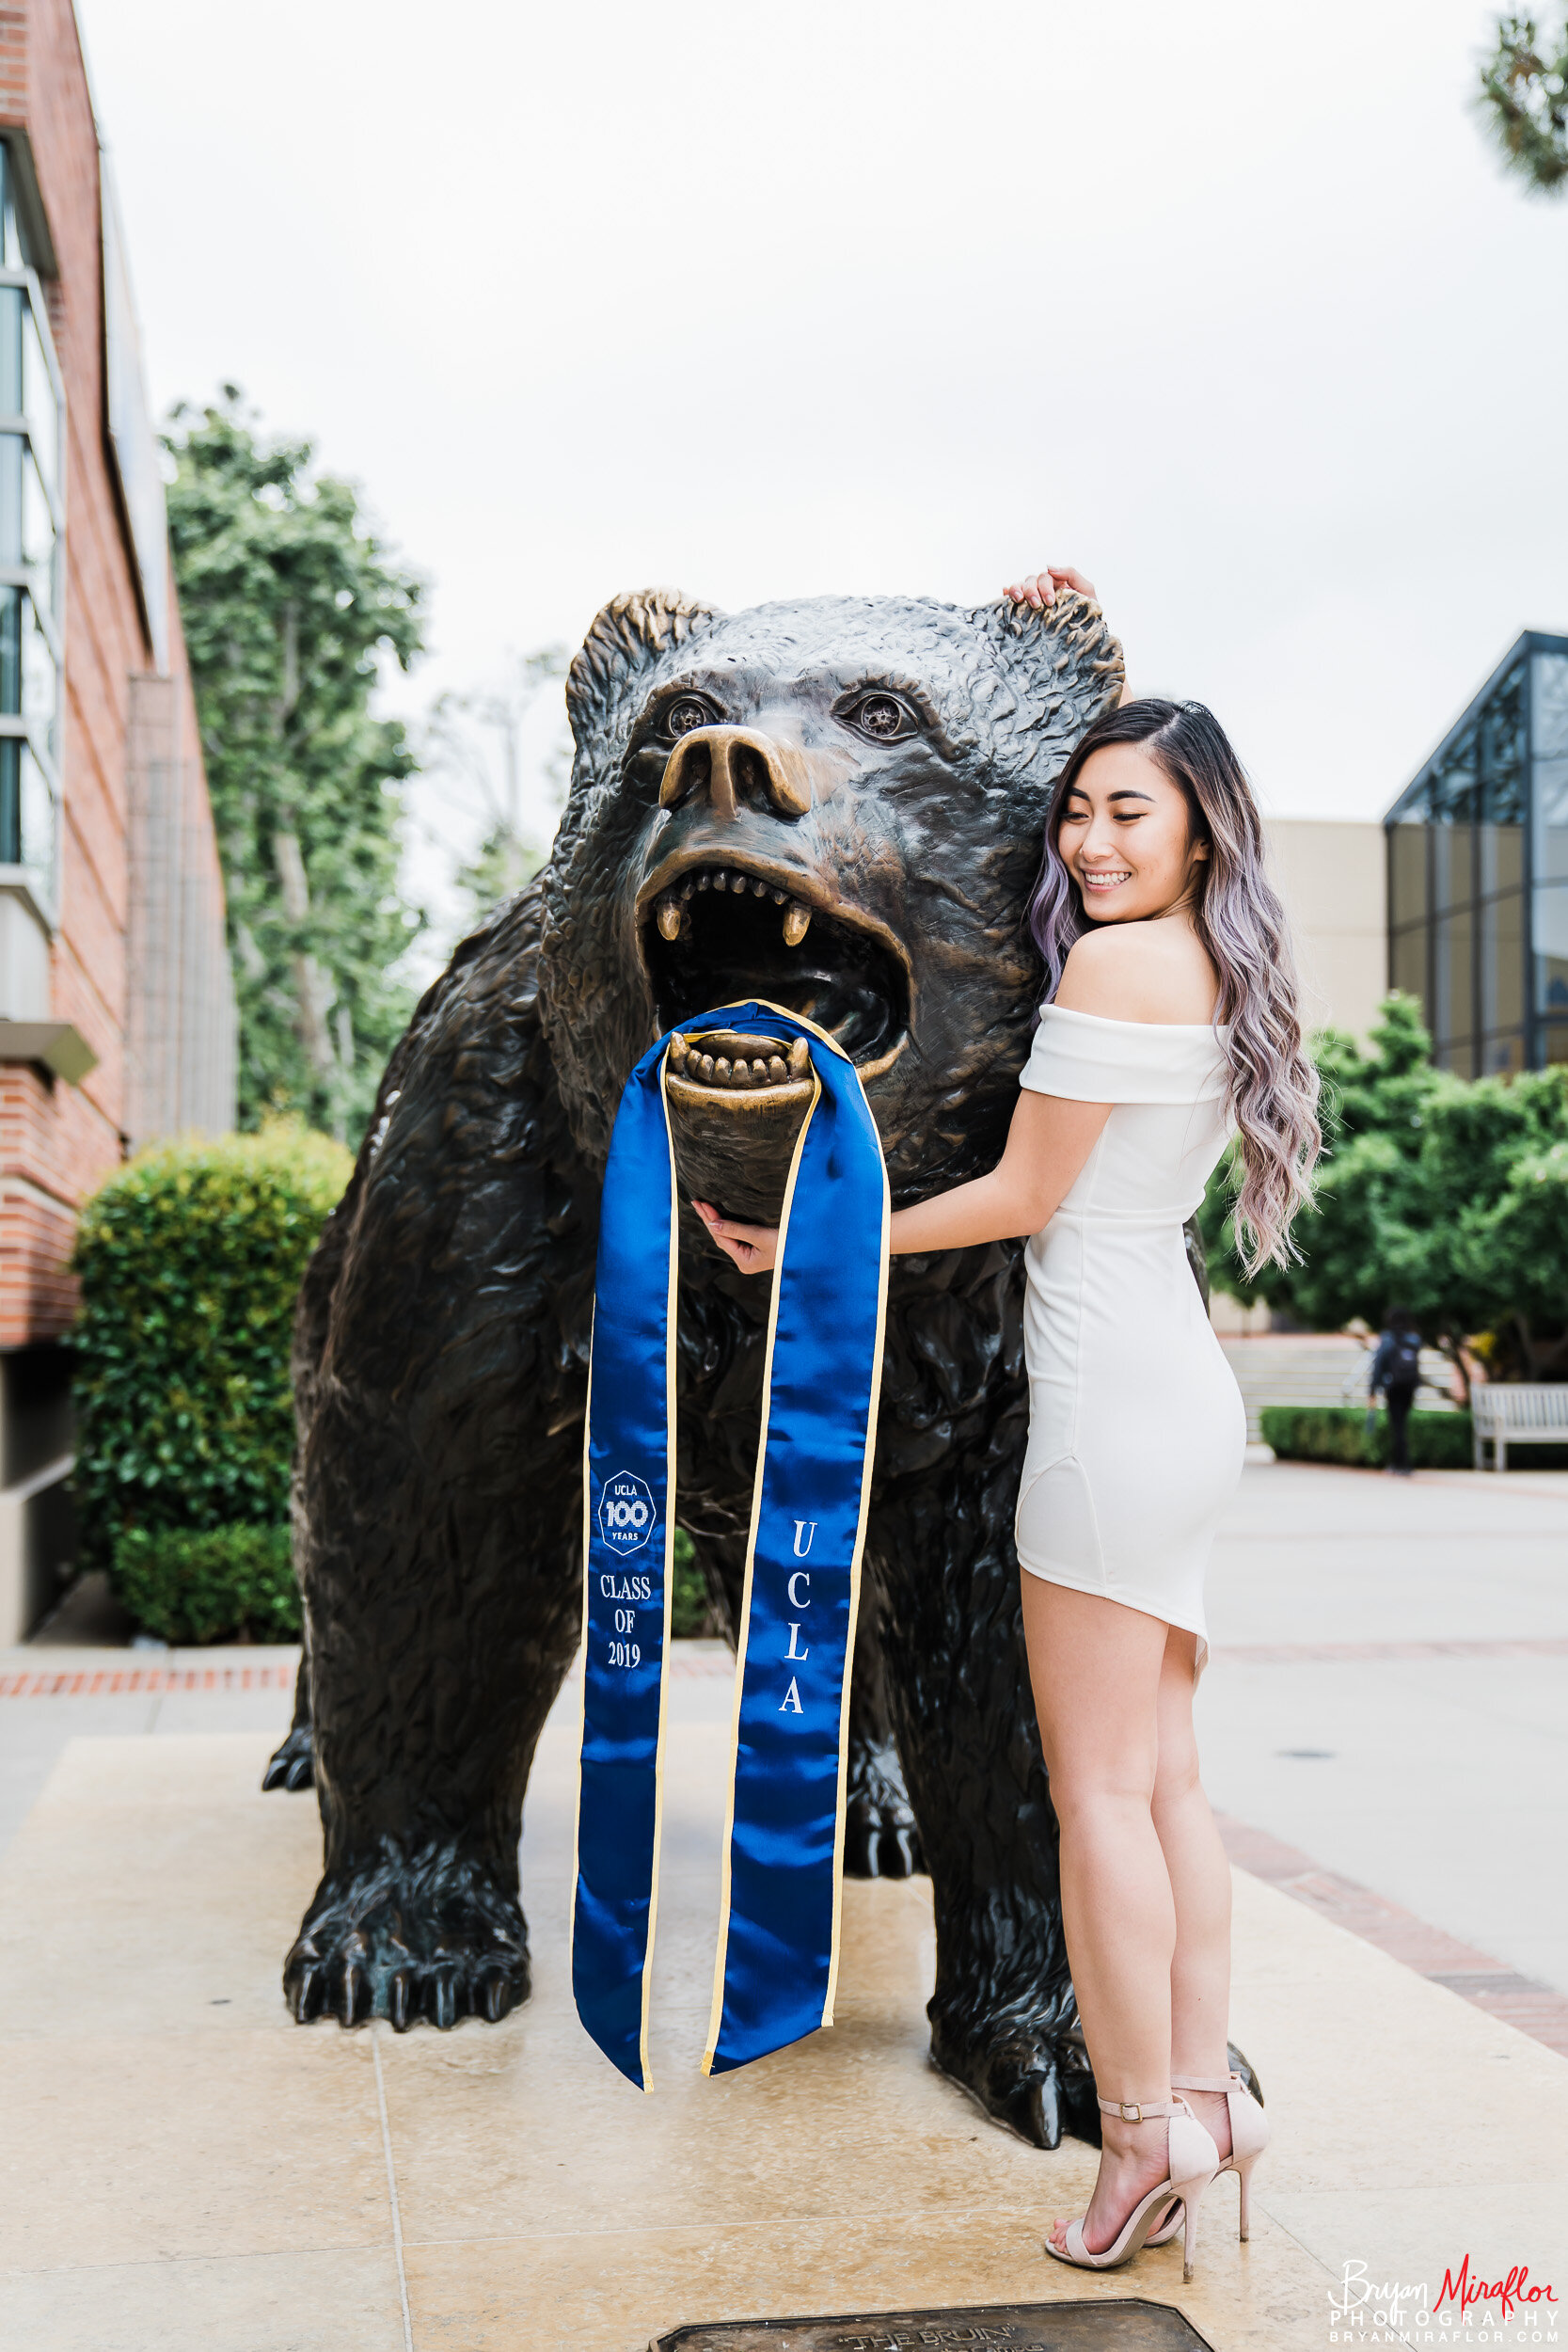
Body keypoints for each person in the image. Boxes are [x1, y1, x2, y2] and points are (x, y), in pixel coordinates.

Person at [694, 567, 1320, 2283]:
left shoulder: (1117, 969)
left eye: (1128, 813)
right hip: (1177, 1395)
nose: (1089, 843)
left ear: (1202, 829)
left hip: (1111, 1409)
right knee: (1169, 1781)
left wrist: (817, 1235)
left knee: (1094, 1795)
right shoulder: (1209, 964)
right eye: (1075, 812)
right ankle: (1207, 2099)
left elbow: (1022, 1190)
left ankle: (1136, 2150)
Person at [1369, 1308, 1424, 1477]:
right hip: (1409, 1386)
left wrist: (1372, 1389)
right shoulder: (1413, 1339)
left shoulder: (1387, 1338)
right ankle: (1401, 1463)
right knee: (1402, 1424)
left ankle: (1400, 1464)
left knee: (1397, 1425)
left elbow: (1379, 1365)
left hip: (1393, 1386)